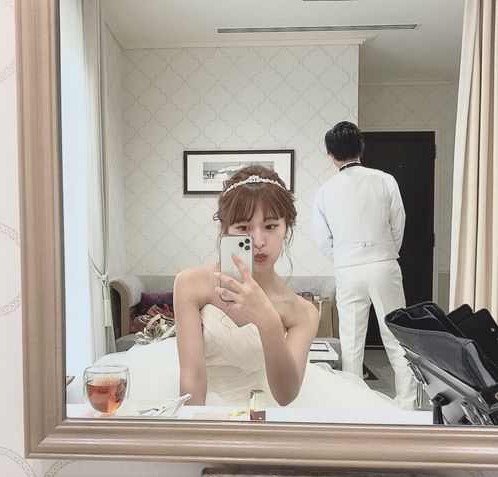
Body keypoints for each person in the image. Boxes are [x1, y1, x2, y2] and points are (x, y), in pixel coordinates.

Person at [174, 164, 398, 411]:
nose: (258, 241)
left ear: (286, 229)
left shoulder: (302, 311)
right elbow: (193, 377)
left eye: (270, 226)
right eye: (243, 228)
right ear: (225, 230)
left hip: (269, 412)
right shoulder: (190, 284)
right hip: (205, 412)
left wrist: (269, 322)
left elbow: (285, 396)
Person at [312, 121, 417, 410]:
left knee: (351, 339)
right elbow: (398, 223)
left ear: (331, 154)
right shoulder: (384, 180)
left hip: (347, 267)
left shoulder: (325, 191)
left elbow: (322, 238)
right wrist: (385, 251)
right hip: (383, 263)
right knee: (396, 335)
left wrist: (343, 258)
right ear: (361, 148)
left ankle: (354, 404)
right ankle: (407, 403)